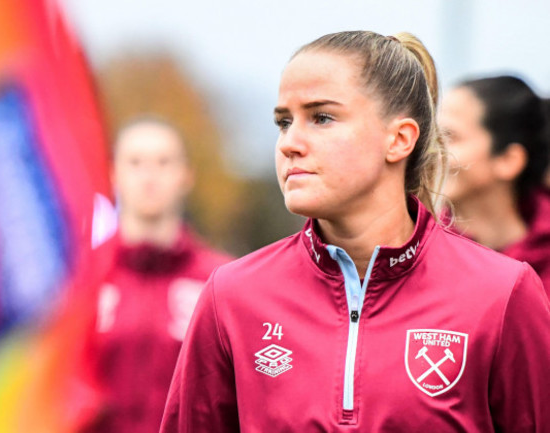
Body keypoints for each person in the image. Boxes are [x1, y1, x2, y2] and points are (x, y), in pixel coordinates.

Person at [160, 31, 550, 432]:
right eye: (283, 122)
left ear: (399, 140)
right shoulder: (231, 295)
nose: (290, 143)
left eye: (322, 117)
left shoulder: (503, 294)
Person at [77, 117, 232, 432]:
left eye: (163, 162)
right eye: (135, 163)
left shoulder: (222, 282)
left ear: (186, 175)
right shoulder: (76, 279)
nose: (149, 176)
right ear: (113, 174)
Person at [439, 76, 550, 292]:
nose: (431, 152)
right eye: (432, 137)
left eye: (451, 137)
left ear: (509, 160)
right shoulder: (418, 250)